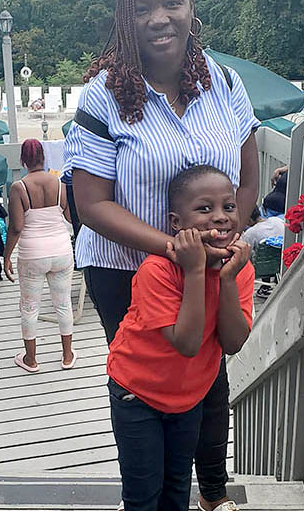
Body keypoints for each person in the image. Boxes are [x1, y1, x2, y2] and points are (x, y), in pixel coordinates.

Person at [63, 0, 260, 510]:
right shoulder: (103, 94)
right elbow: (92, 203)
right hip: (125, 272)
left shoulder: (224, 82)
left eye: (172, 3)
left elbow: (247, 179)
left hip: (210, 266)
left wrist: (224, 241)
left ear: (191, 7)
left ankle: (212, 495)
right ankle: (147, 495)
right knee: (147, 388)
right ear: (125, 19)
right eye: (142, 8)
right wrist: (177, 251)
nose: (159, 18)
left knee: (210, 377)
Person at [107, 165, 254, 511]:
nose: (220, 217)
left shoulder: (239, 269)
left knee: (177, 489)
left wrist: (227, 279)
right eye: (204, 208)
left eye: (228, 206)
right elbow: (187, 344)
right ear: (176, 222)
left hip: (189, 399)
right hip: (137, 394)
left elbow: (233, 343)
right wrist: (195, 269)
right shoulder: (157, 270)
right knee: (143, 495)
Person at [4, 139, 76, 373]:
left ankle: (31, 360)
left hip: (32, 253)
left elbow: (16, 227)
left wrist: (6, 256)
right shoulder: (60, 183)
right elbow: (69, 217)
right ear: (43, 158)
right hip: (61, 250)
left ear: (23, 160)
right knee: (63, 304)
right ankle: (67, 356)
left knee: (29, 308)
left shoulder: (19, 188)